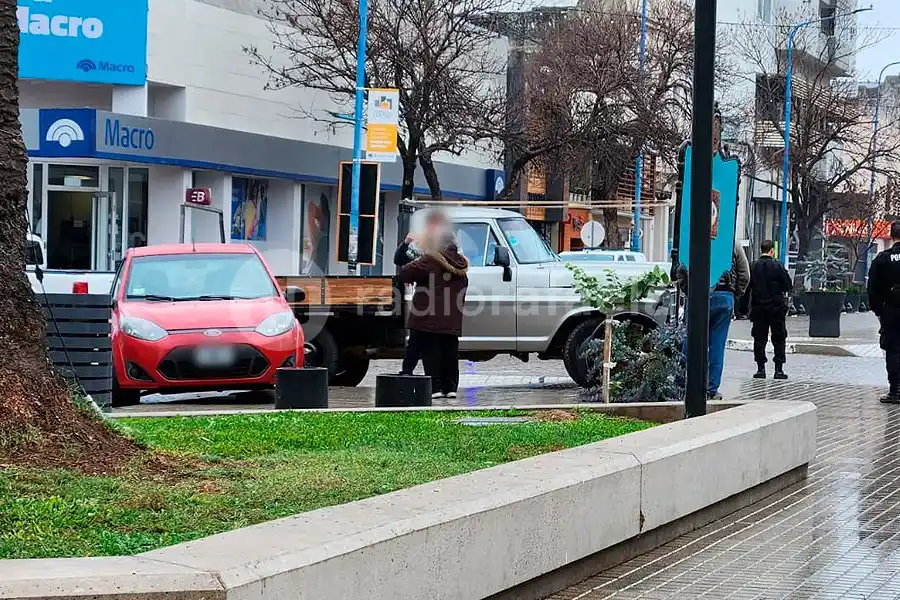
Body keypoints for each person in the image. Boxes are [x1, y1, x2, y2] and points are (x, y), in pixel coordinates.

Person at [397, 229, 469, 399]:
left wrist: (421, 255)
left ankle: (435, 388)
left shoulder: (430, 260)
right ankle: (450, 388)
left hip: (428, 318)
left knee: (432, 353)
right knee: (450, 354)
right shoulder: (462, 264)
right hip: (451, 319)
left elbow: (405, 272)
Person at [393, 210, 451, 376]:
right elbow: (400, 259)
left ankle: (432, 378)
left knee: (431, 341)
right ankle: (407, 371)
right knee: (417, 337)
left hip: (440, 298)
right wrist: (406, 243)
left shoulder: (446, 246)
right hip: (424, 297)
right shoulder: (420, 247)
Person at [707, 239, 751, 399]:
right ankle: (711, 388)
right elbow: (744, 274)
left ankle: (686, 382)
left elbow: (682, 268)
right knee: (717, 344)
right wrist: (736, 293)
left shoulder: (694, 233)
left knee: (693, 340)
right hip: (725, 295)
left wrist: (687, 288)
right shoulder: (732, 242)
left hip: (699, 294)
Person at [748, 240, 792, 380]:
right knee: (779, 338)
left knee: (759, 338)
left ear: (761, 250)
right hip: (776, 309)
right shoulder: (778, 266)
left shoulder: (753, 266)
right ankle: (778, 369)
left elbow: (747, 288)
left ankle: (760, 368)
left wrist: (743, 308)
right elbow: (787, 285)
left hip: (758, 308)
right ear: (772, 251)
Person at [867, 221, 900, 403]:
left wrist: (878, 309)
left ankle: (895, 391)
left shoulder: (883, 259)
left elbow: (872, 287)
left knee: (893, 349)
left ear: (892, 236)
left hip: (891, 310)